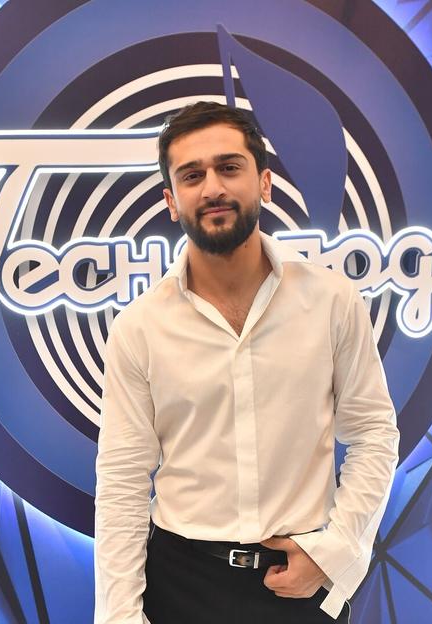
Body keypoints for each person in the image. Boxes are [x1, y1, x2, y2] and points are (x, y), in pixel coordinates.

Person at [94, 101, 399, 623]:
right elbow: (122, 480)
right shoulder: (139, 327)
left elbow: (373, 432)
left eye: (229, 167)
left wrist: (335, 553)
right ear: (172, 201)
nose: (212, 187)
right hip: (180, 585)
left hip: (299, 582)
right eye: (192, 176)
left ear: (264, 183)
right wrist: (119, 616)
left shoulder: (331, 301)